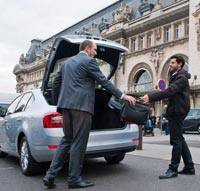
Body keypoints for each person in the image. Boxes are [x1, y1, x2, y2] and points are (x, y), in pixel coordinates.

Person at [43, 40, 136, 189]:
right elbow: (104, 81)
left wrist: (59, 103)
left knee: (67, 140)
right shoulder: (89, 61)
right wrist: (123, 96)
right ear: (87, 49)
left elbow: (56, 83)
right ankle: (74, 179)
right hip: (81, 107)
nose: (96, 52)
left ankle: (50, 175)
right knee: (78, 143)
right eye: (95, 49)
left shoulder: (66, 63)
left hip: (65, 107)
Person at [140, 55, 195, 179]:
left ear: (180, 64)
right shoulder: (175, 75)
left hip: (178, 111)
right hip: (176, 110)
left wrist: (150, 97)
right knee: (179, 138)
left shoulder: (181, 77)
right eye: (170, 62)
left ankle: (172, 169)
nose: (170, 64)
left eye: (173, 62)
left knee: (176, 140)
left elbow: (170, 91)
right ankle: (189, 166)